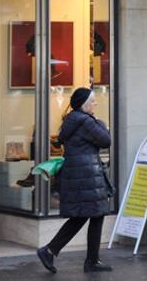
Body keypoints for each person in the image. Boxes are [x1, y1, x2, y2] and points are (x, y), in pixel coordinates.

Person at [37, 88, 113, 274]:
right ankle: (84, 259)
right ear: (84, 104)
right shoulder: (86, 122)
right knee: (92, 214)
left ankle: (54, 252)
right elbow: (106, 140)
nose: (96, 104)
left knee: (88, 215)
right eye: (93, 101)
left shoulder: (72, 120)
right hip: (87, 175)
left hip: (79, 174)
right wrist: (100, 123)